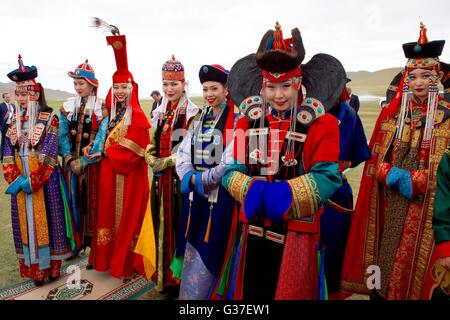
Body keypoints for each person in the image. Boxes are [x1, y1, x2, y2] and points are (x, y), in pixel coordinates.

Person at [212, 22, 344, 300]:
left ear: (299, 83)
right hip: (252, 227)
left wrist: (281, 196)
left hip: (297, 230)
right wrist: (255, 192)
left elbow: (328, 176)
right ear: (262, 86)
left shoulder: (324, 125)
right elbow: (231, 169)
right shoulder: (249, 122)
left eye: (286, 85)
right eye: (271, 87)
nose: (279, 95)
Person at [340, 23, 450, 300]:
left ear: (437, 78)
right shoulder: (391, 117)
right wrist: (387, 173)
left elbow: (443, 174)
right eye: (412, 77)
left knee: (412, 270)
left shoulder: (446, 123)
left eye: (426, 76)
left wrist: (414, 180)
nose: (419, 83)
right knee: (385, 263)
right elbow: (376, 161)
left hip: (425, 211)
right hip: (389, 206)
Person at [2, 55, 74, 286]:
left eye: (26, 93)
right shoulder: (13, 124)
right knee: (26, 226)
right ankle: (35, 270)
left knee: (50, 224)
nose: (21, 98)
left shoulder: (48, 120)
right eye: (18, 94)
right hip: (21, 182)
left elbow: (50, 154)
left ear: (35, 94)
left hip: (46, 182)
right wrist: (13, 177)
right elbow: (6, 153)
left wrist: (32, 180)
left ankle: (52, 267)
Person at [89, 21, 151, 281]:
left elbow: (135, 151)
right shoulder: (110, 116)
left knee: (127, 217)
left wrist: (106, 153)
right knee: (106, 214)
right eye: (116, 87)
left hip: (130, 176)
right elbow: (107, 142)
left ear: (132, 88)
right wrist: (100, 151)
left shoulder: (137, 115)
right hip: (108, 173)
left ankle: (126, 263)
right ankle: (105, 259)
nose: (120, 91)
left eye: (125, 87)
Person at [174, 64, 239, 299]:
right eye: (205, 89)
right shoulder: (201, 117)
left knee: (213, 247)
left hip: (220, 198)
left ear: (227, 89)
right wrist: (191, 176)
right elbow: (182, 152)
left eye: (214, 88)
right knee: (192, 240)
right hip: (195, 194)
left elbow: (232, 159)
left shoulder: (236, 119)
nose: (209, 94)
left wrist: (204, 180)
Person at [145, 55, 199, 296]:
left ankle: (180, 280)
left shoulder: (192, 114)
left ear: (184, 84)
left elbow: (194, 150)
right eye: (165, 84)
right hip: (161, 183)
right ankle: (164, 278)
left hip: (181, 184)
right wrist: (152, 159)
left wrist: (167, 161)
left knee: (181, 228)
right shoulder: (160, 112)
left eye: (174, 84)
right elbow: (151, 145)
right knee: (160, 227)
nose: (169, 89)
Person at [320, 86, 371, 297]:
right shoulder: (301, 110)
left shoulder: (346, 113)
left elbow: (358, 152)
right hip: (299, 188)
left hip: (334, 191)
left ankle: (332, 290)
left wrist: (339, 165)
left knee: (333, 245)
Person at [59, 59, 108, 263]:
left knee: (93, 206)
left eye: (82, 83)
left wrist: (84, 162)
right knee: (72, 206)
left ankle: (95, 251)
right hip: (71, 166)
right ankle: (75, 245)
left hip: (92, 167)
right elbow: (62, 135)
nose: (78, 87)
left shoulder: (101, 107)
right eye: (76, 83)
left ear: (92, 85)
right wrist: (70, 158)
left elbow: (102, 136)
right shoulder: (67, 106)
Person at [0, 92, 15, 161]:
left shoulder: (13, 106)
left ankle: (11, 156)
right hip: (4, 126)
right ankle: (2, 157)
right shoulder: (1, 106)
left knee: (12, 141)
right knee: (4, 141)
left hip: (12, 126)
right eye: (6, 97)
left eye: (9, 97)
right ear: (4, 98)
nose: (8, 98)